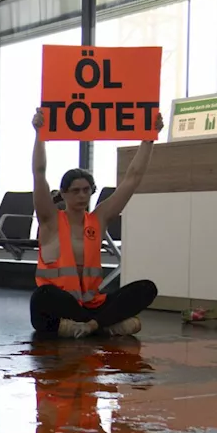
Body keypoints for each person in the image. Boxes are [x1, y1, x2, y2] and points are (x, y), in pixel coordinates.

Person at [29, 108, 161, 337]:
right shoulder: (50, 220)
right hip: (64, 302)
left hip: (92, 303)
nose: (82, 196)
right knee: (42, 298)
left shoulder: (98, 219)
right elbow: (39, 173)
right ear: (64, 193)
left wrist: (149, 138)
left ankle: (89, 326)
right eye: (76, 191)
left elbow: (132, 179)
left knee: (146, 288)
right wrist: (39, 135)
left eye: (87, 190)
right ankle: (105, 325)